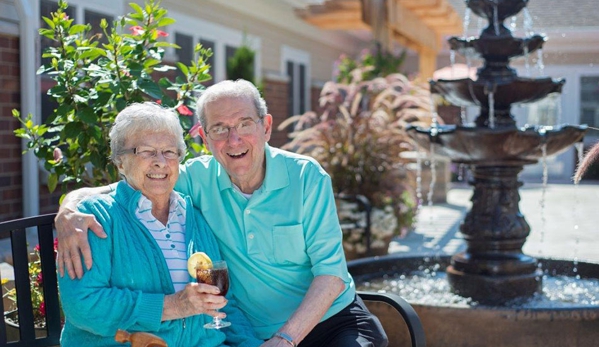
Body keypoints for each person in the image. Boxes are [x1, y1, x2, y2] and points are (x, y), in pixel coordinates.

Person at [56, 80, 388, 347]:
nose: (234, 139)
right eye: (219, 128)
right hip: (254, 332)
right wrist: (70, 206)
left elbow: (330, 277)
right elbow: (132, 186)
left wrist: (283, 341)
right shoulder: (189, 182)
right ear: (204, 137)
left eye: (245, 124)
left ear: (266, 126)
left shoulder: (305, 177)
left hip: (327, 320)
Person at [57, 102, 263, 347]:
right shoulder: (95, 219)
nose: (160, 162)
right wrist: (173, 306)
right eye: (145, 151)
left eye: (169, 152)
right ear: (120, 162)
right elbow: (84, 304)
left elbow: (221, 301)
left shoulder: (194, 217)